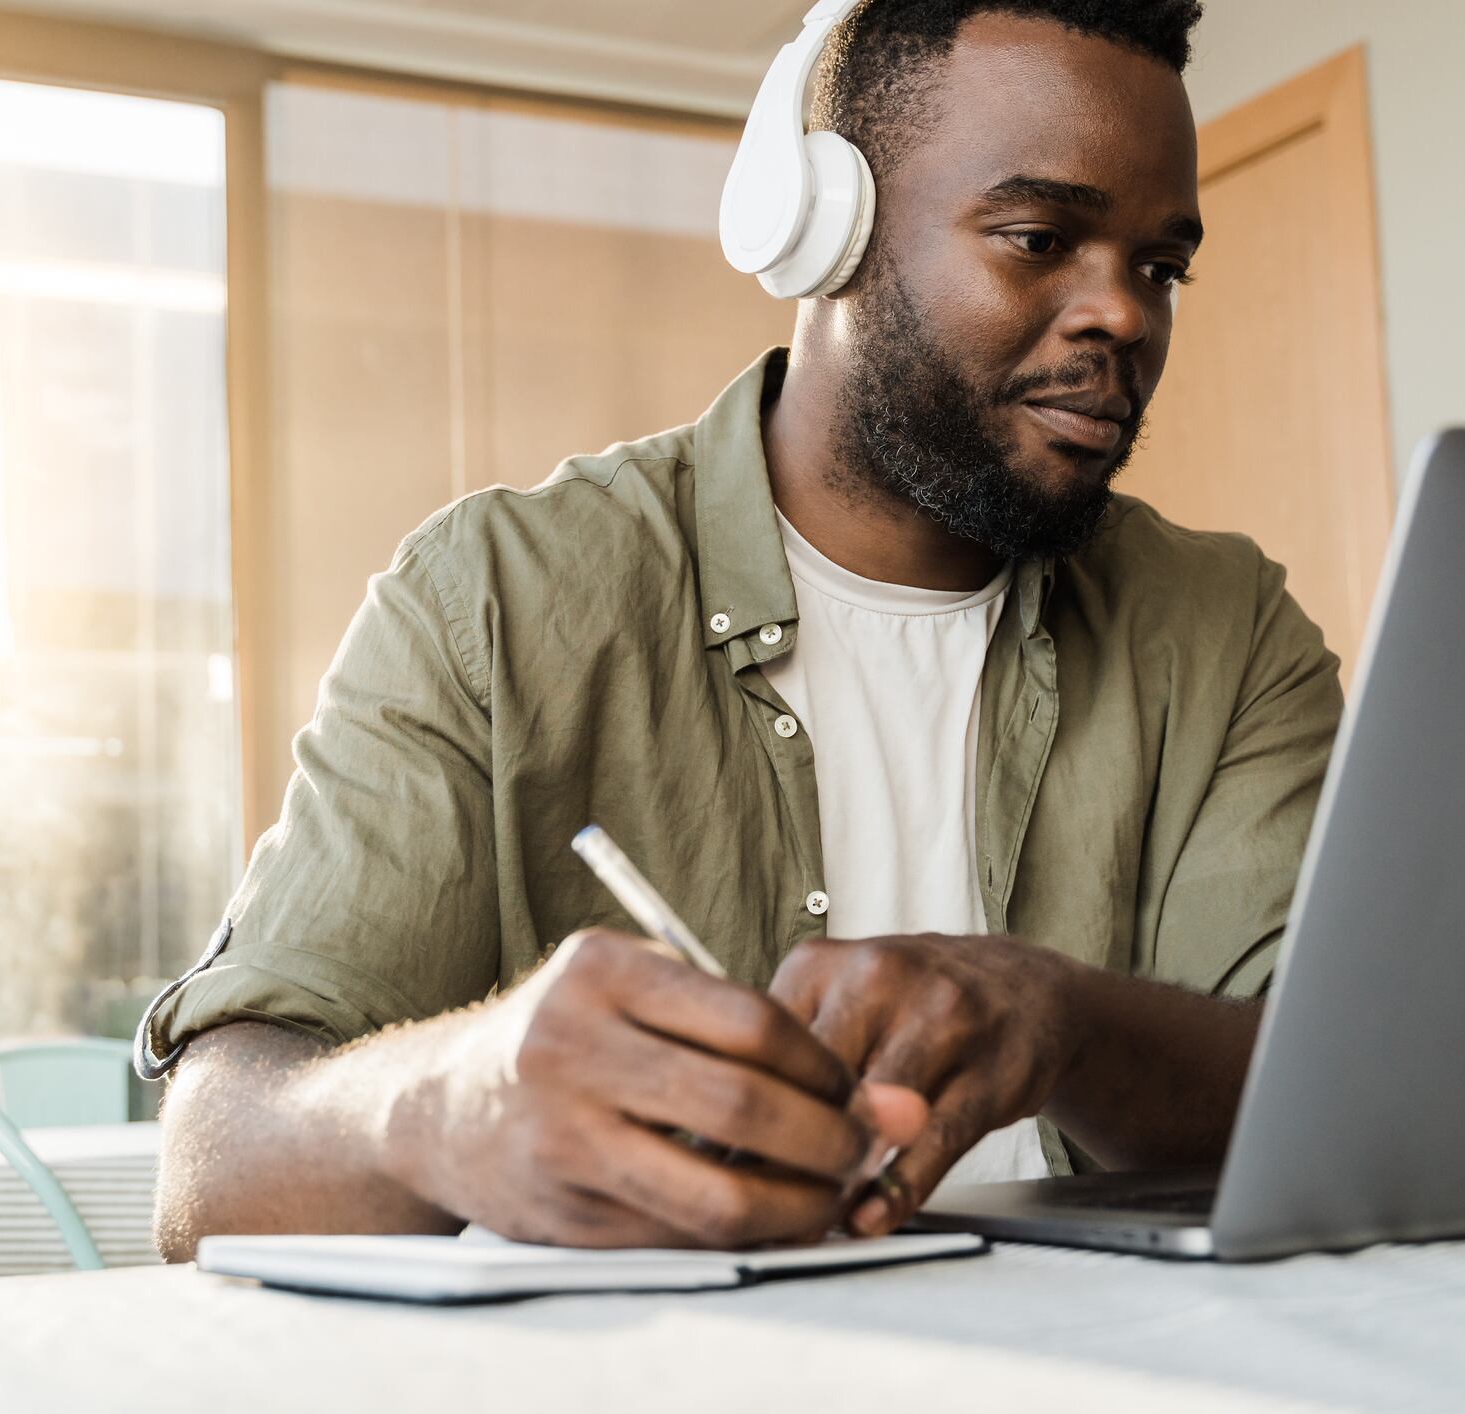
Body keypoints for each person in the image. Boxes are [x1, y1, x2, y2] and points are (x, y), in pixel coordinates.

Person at [147, 0, 1341, 1257]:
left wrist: (1065, 1018)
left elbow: (1337, 1083)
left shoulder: (1226, 627)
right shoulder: (496, 594)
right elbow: (211, 1171)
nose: (1125, 317)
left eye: (1160, 267)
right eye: (1041, 237)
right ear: (829, 232)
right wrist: (450, 1098)